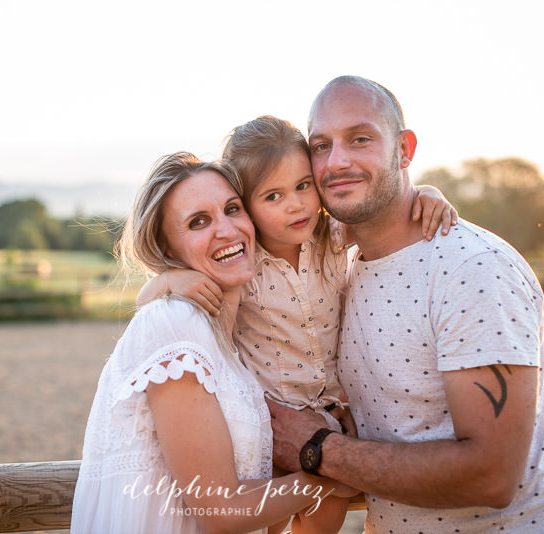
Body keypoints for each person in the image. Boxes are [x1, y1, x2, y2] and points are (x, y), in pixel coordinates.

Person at [265, 76, 544, 533]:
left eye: (360, 139)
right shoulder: (342, 272)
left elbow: (492, 475)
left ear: (404, 150)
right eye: (320, 145)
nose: (337, 161)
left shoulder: (473, 269)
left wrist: (316, 448)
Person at [136, 117, 458, 533]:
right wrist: (168, 280)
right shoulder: (241, 265)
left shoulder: (330, 236)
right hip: (268, 417)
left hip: (325, 411)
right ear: (246, 206)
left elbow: (389, 213)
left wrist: (426, 194)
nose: (296, 205)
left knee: (326, 518)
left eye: (304, 185)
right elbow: (147, 303)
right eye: (274, 196)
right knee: (273, 511)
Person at [70, 152, 357, 534]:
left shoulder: (231, 343)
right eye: (199, 221)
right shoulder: (174, 323)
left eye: (232, 209)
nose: (226, 230)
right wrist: (343, 472)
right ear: (169, 250)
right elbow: (220, 511)